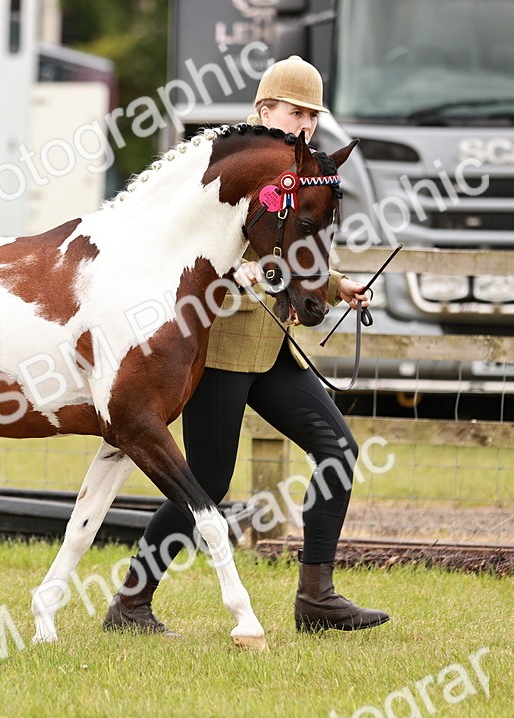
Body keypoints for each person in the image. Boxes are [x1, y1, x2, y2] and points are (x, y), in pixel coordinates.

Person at [102, 56, 389, 636]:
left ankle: (317, 596)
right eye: (295, 111)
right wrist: (236, 274)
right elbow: (190, 246)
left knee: (338, 450)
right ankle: (131, 601)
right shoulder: (228, 166)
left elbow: (292, 249)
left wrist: (336, 287)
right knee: (208, 481)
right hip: (220, 349)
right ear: (264, 111)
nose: (305, 123)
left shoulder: (300, 173)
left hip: (272, 346)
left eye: (313, 115)